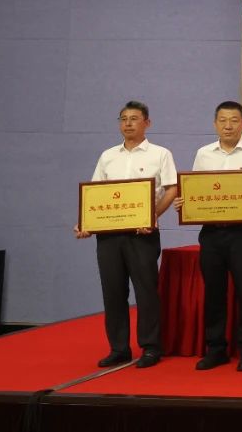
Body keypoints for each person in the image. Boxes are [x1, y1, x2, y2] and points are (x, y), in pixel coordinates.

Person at [74, 100, 177, 369]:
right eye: (123, 119)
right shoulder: (108, 156)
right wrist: (85, 223)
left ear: (147, 123)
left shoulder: (160, 154)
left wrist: (153, 216)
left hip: (142, 234)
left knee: (146, 291)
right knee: (113, 292)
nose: (128, 123)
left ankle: (151, 347)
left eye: (134, 118)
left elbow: (172, 189)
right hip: (109, 236)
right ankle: (119, 348)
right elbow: (95, 194)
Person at [177, 101, 242, 372]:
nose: (228, 125)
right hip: (211, 232)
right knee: (214, 292)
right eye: (222, 120)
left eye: (234, 120)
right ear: (215, 124)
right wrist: (185, 202)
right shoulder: (203, 154)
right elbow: (195, 188)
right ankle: (216, 349)